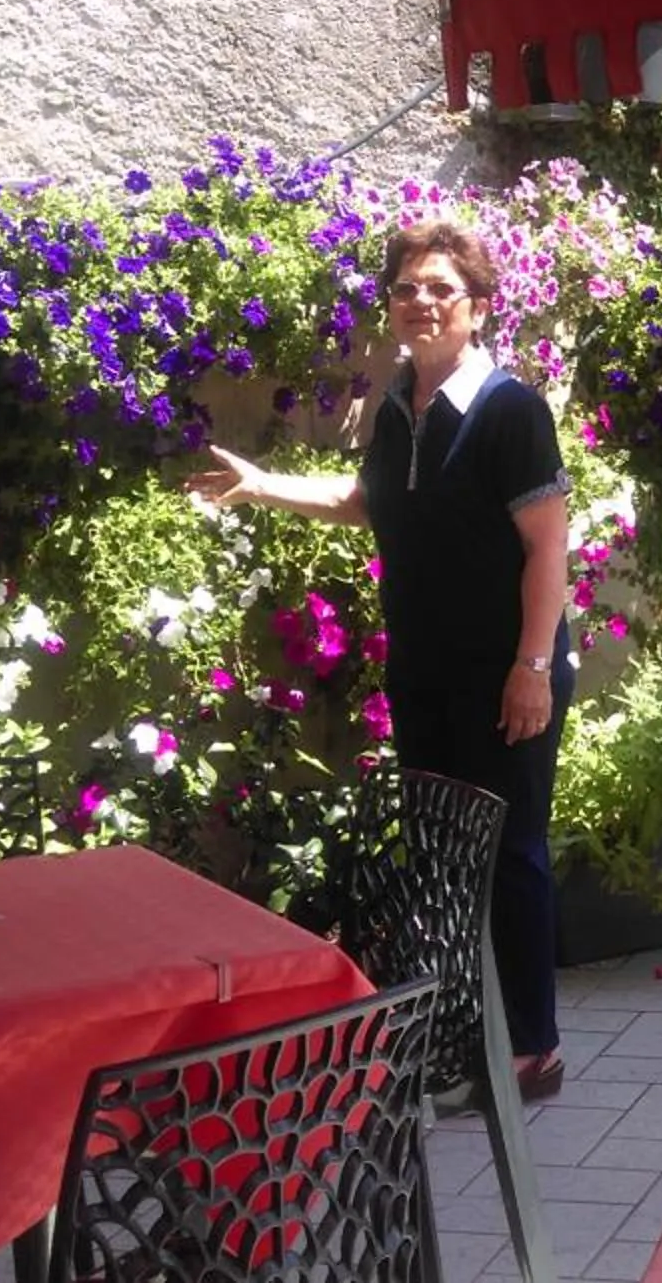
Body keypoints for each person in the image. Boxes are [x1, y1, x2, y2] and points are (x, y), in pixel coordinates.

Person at [189, 220, 575, 1099]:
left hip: (504, 671)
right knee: (441, 855)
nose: (421, 301)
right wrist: (261, 484)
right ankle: (461, 1031)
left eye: (441, 288)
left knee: (509, 850)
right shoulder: (400, 406)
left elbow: (548, 547)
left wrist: (530, 668)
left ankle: (533, 1049)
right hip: (426, 670)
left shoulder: (510, 410)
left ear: (477, 308)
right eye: (406, 288)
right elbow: (365, 502)